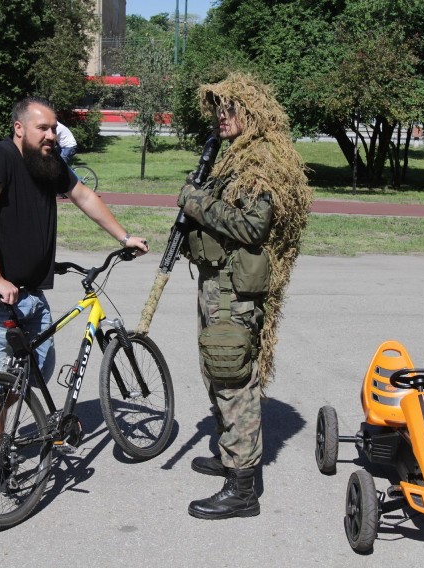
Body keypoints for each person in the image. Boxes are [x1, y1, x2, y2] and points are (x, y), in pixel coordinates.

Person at [0, 96, 148, 488]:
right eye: (42, 127)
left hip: (29, 290)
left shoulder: (49, 164)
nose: (51, 134)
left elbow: (84, 197)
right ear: (19, 129)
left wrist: (124, 236)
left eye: (54, 127)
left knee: (39, 368)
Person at [176, 73, 312, 519]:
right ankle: (229, 453)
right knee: (217, 373)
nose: (221, 115)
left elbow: (254, 227)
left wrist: (195, 203)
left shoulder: (264, 160)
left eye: (230, 108)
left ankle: (242, 488)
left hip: (235, 291)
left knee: (233, 378)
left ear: (251, 112)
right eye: (218, 108)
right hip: (216, 284)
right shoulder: (233, 157)